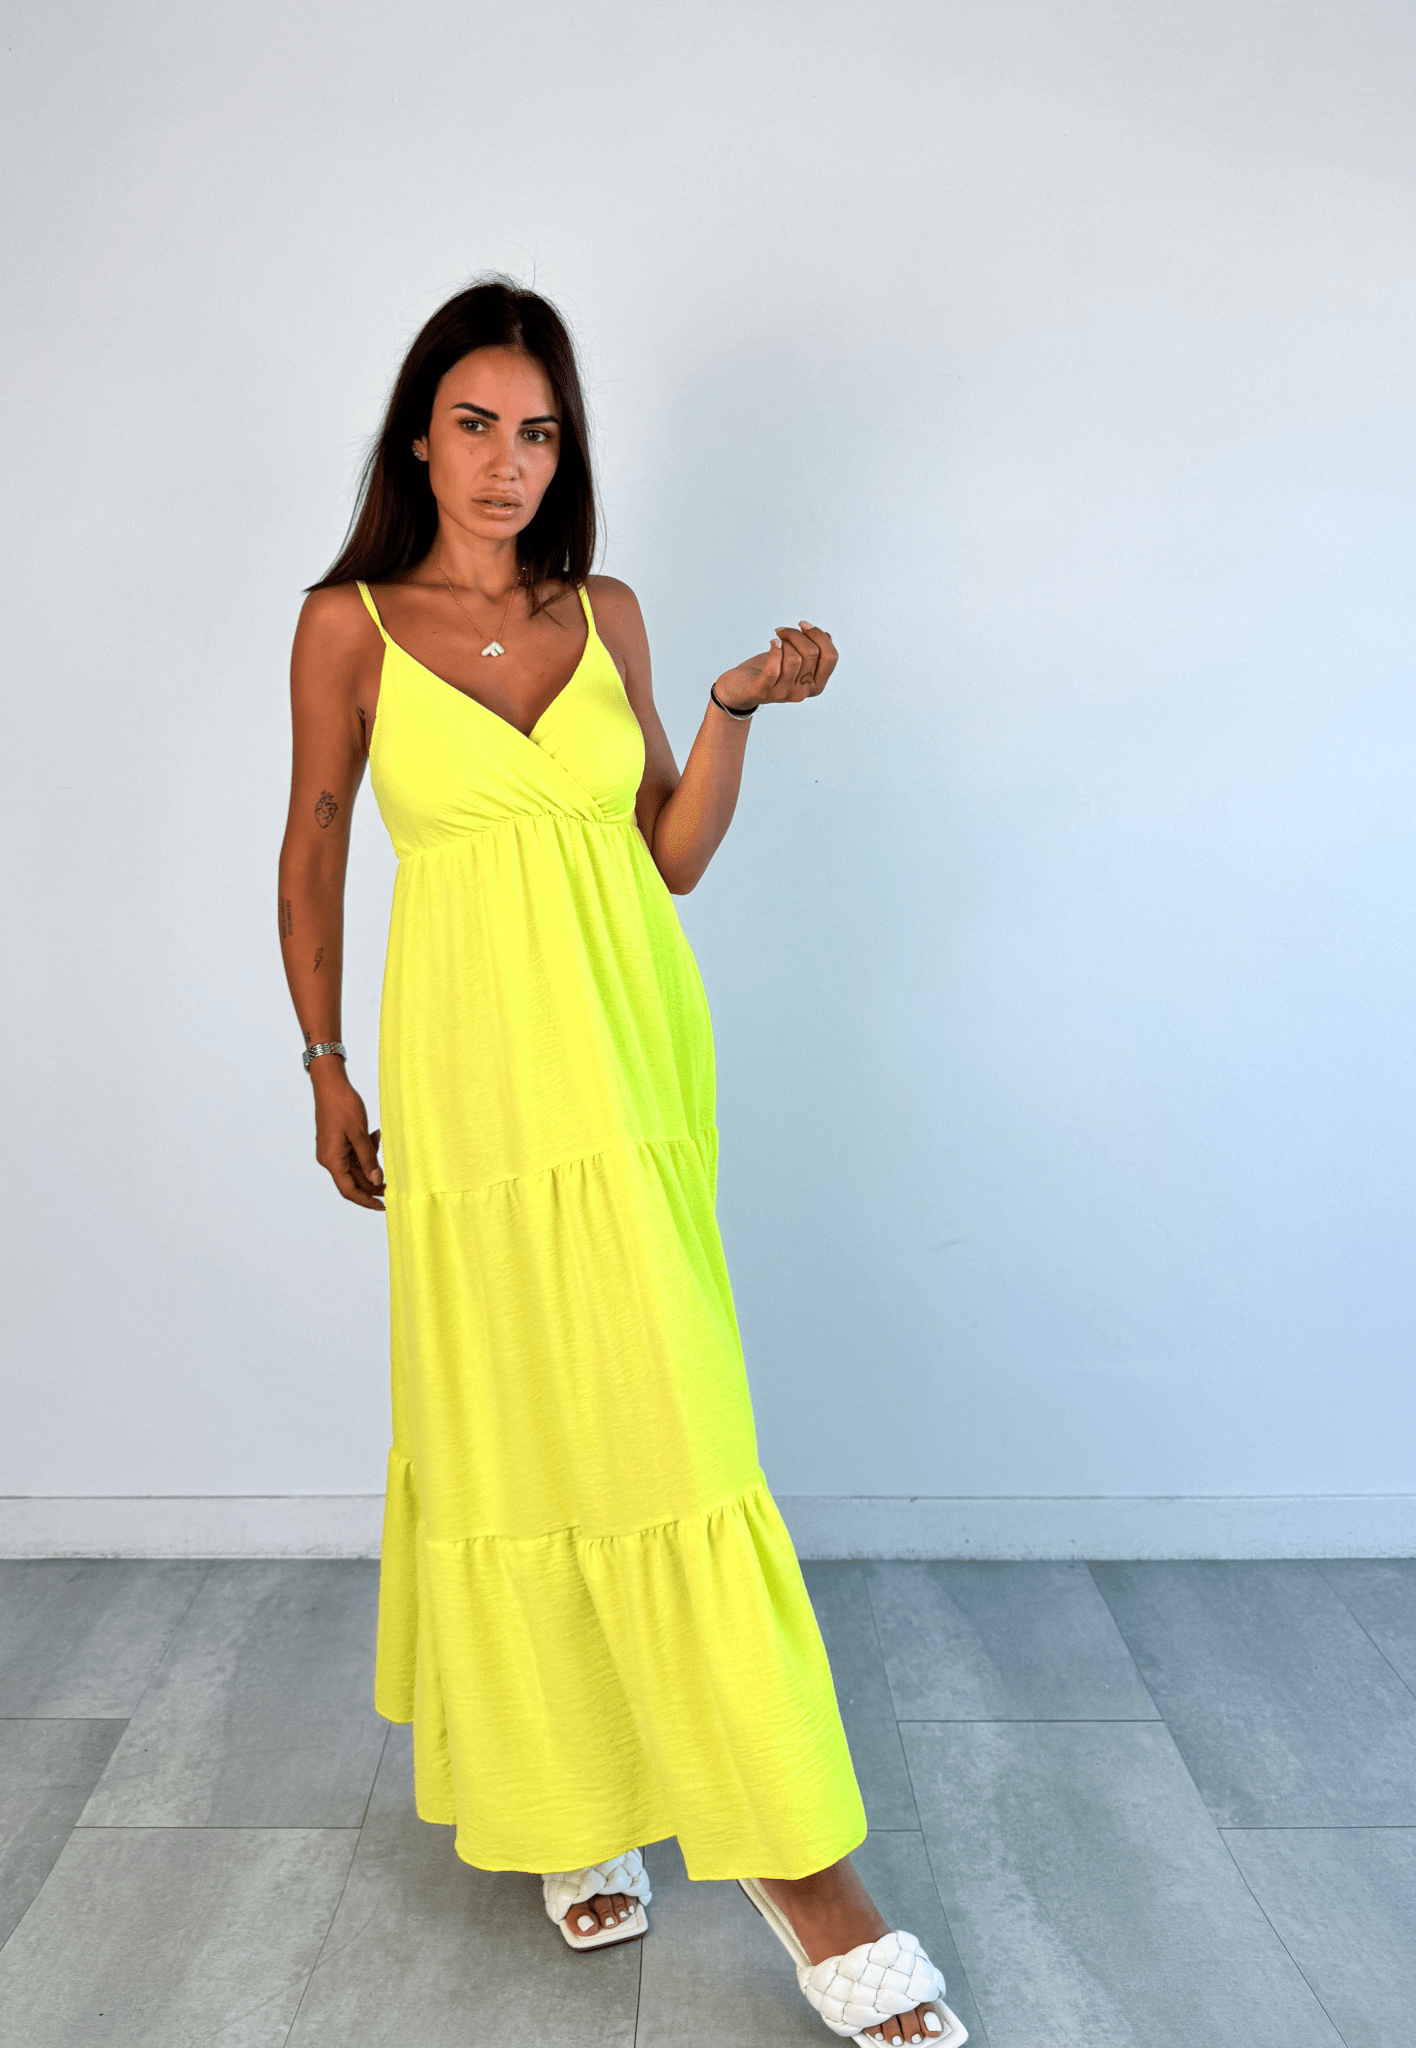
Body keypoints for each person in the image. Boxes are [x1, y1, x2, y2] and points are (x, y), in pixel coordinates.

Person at [277, 278, 963, 2047]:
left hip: (629, 1067)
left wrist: (733, 707)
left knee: (674, 1428)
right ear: (417, 438)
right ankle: (568, 1799)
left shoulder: (609, 614)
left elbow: (669, 853)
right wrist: (324, 1063)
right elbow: (316, 845)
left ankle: (804, 1873)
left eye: (539, 431)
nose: (508, 462)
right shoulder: (348, 625)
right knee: (511, 1419)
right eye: (476, 425)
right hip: (470, 1085)